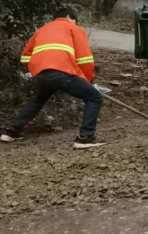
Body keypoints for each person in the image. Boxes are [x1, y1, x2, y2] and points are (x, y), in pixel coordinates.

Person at [0, 8, 105, 149]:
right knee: (94, 97)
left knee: (38, 99)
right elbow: (85, 60)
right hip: (62, 72)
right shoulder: (73, 28)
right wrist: (88, 82)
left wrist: (40, 68)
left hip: (41, 74)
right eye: (75, 20)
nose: (75, 23)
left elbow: (25, 57)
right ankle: (85, 138)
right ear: (69, 17)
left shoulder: (41, 30)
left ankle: (11, 131)